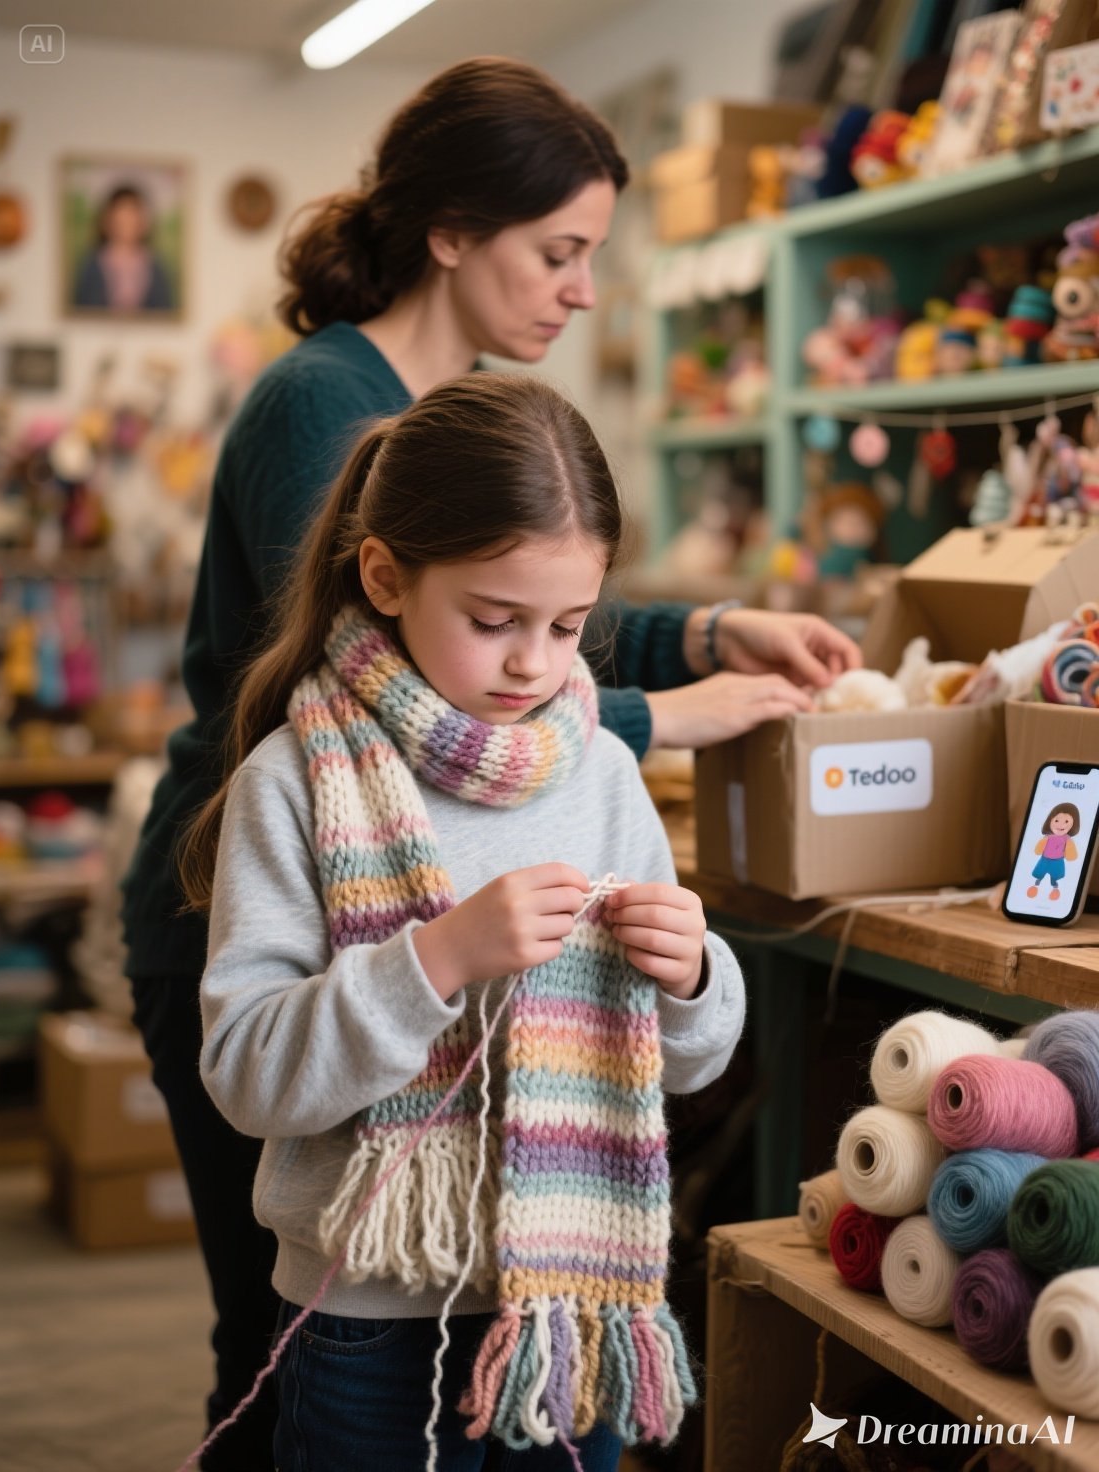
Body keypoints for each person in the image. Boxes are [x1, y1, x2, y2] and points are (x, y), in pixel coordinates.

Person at [121, 57, 856, 1467]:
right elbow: (431, 662)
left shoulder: (555, 705)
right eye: (562, 249)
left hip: (545, 1301)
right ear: (454, 228)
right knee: (264, 1367)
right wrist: (653, 721)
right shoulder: (323, 424)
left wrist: (691, 650)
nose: (582, 288)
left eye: (568, 630)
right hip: (345, 1245)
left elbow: (513, 625)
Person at [181, 372, 746, 1471]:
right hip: (365, 1310)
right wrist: (433, 958)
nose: (536, 661)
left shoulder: (604, 774)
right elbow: (246, 1072)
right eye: (495, 620)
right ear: (386, 576)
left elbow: (687, 1060)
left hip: (568, 1298)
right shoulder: (292, 780)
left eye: (569, 624)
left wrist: (694, 978)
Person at [72, 184, 175, 312]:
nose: (127, 224)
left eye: (132, 216)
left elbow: (164, 311)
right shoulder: (91, 263)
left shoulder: (156, 266)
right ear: (107, 220)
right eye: (122, 219)